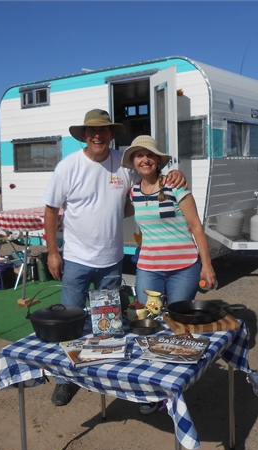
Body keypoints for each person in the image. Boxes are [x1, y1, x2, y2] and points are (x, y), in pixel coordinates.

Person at [42, 109, 186, 407]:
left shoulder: (123, 164)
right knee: (70, 323)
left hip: (110, 261)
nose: (98, 135)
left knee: (107, 326)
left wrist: (175, 172)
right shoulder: (68, 167)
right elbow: (51, 210)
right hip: (77, 260)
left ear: (111, 134)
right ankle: (65, 380)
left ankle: (105, 377)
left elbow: (151, 173)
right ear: (84, 135)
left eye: (104, 130)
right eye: (92, 131)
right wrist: (53, 253)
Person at [124, 135, 216, 305]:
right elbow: (114, 210)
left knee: (177, 318)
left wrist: (207, 265)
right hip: (148, 269)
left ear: (157, 159)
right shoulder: (133, 192)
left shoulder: (175, 185)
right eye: (139, 156)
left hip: (184, 269)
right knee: (148, 318)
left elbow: (196, 226)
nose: (145, 160)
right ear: (133, 161)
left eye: (150, 155)